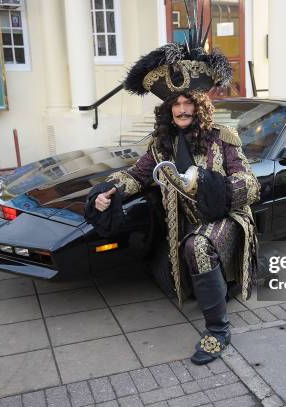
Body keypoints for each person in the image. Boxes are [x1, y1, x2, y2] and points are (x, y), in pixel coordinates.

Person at [86, 20, 260, 366]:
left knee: (197, 245)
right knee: (186, 253)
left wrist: (210, 185)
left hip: (226, 216)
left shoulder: (221, 138)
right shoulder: (160, 144)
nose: (181, 109)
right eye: (175, 104)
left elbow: (250, 184)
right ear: (167, 109)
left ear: (199, 105)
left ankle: (218, 331)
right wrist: (107, 190)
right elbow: (137, 175)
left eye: (188, 102)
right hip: (185, 223)